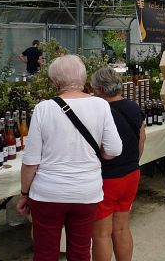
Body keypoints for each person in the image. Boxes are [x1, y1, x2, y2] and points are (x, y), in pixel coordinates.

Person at [17, 55, 123, 261]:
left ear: (55, 83)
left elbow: (31, 162)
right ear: (84, 79)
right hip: (86, 193)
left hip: (47, 194)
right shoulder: (101, 106)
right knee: (80, 252)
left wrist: (24, 193)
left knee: (45, 253)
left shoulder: (43, 109)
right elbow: (114, 150)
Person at [91, 67, 146, 261]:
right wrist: (133, 162)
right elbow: (141, 140)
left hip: (108, 178)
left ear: (101, 90)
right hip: (131, 174)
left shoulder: (100, 112)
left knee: (101, 234)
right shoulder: (133, 107)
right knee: (122, 227)